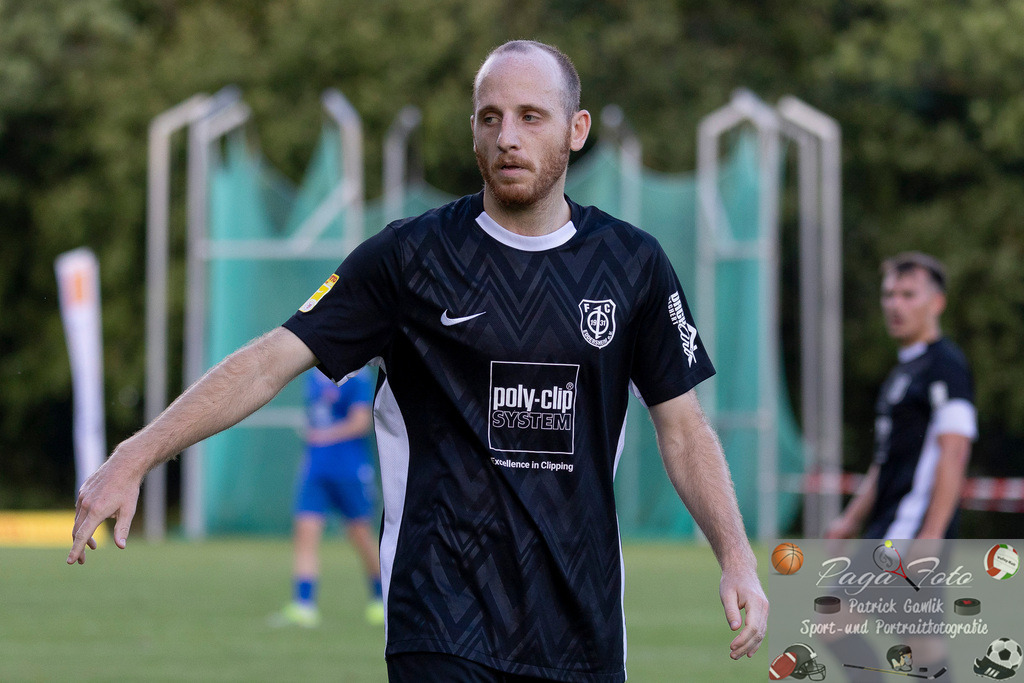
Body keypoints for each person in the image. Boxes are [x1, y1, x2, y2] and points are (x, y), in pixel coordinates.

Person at [69, 40, 767, 681]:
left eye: (531, 116)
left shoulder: (633, 264)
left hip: (579, 625)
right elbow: (267, 360)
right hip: (441, 614)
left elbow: (683, 428)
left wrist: (736, 556)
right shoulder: (410, 257)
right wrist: (135, 454)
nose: (509, 137)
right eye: (490, 118)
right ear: (472, 132)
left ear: (576, 130)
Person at [827, 251, 977, 540]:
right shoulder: (902, 372)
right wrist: (850, 519)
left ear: (937, 303)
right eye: (889, 294)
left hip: (911, 531)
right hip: (887, 525)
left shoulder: (947, 367)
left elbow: (955, 452)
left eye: (908, 295)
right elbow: (885, 459)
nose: (895, 305)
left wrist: (932, 535)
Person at [268, 367, 384, 628]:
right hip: (315, 470)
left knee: (360, 535)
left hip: (348, 470)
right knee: (305, 532)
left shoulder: (358, 378)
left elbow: (360, 422)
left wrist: (323, 436)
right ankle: (304, 605)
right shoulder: (312, 377)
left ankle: (380, 598)